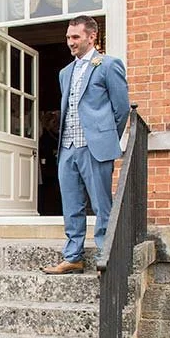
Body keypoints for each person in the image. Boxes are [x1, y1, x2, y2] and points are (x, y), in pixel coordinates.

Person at [42, 15, 129, 275]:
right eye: (68, 37)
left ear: (92, 37)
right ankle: (73, 257)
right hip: (67, 147)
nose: (70, 42)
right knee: (71, 205)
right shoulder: (64, 72)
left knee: (102, 204)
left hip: (95, 147)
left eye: (76, 37)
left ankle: (106, 255)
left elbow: (121, 108)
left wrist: (105, 136)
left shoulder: (108, 65)